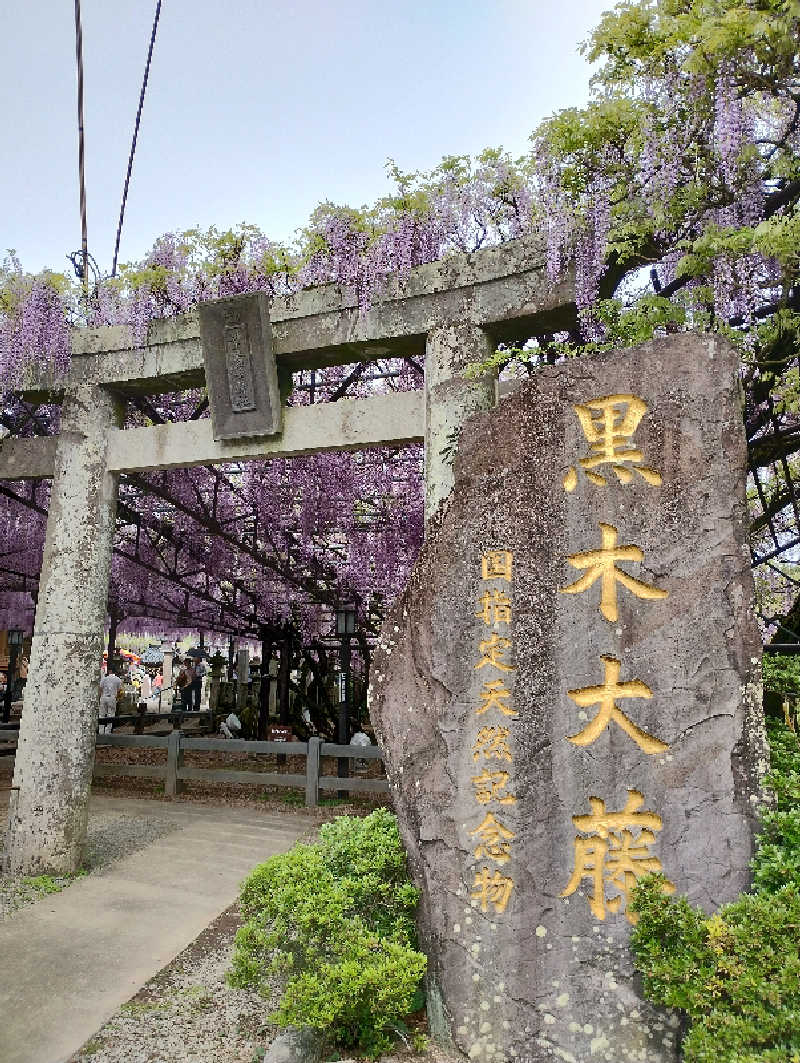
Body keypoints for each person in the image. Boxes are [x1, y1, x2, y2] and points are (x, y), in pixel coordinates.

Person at [99, 668, 123, 734]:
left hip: (103, 697)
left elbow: (100, 689)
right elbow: (120, 691)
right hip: (112, 698)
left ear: (109, 671)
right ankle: (108, 732)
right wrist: (118, 699)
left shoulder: (104, 679)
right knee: (111, 714)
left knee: (101, 715)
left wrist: (100, 697)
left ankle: (101, 731)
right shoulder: (118, 679)